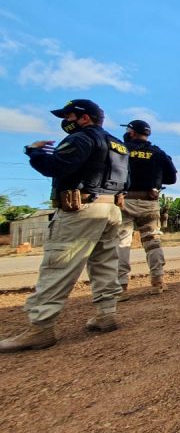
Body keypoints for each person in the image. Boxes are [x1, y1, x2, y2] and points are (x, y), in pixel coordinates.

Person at [0, 99, 129, 353]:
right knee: (104, 263)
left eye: (69, 116)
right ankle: (106, 314)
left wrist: (33, 151)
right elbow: (127, 180)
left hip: (81, 210)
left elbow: (55, 166)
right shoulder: (119, 145)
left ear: (84, 117)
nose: (66, 121)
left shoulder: (82, 138)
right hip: (111, 209)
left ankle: (41, 327)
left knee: (59, 265)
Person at [117, 119, 177, 300]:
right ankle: (158, 282)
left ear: (132, 132)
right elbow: (172, 178)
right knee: (153, 242)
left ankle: (121, 287)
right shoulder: (158, 153)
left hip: (123, 201)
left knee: (121, 242)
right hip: (149, 201)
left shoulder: (121, 149)